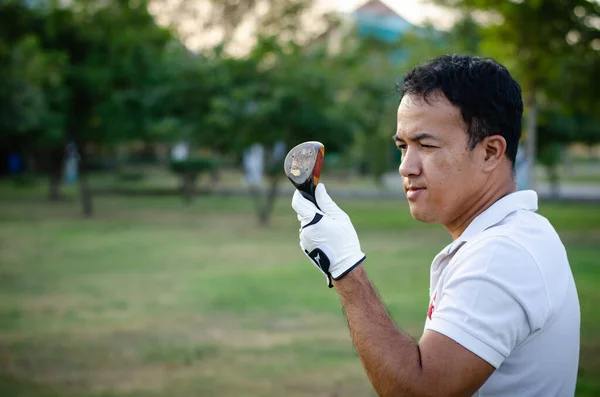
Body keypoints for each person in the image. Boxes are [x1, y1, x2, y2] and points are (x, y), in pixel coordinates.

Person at [291, 54, 580, 397]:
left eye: (426, 145)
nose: (406, 167)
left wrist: (345, 268)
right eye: (403, 146)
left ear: (490, 152)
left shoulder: (500, 255)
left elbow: (421, 390)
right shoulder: (520, 233)